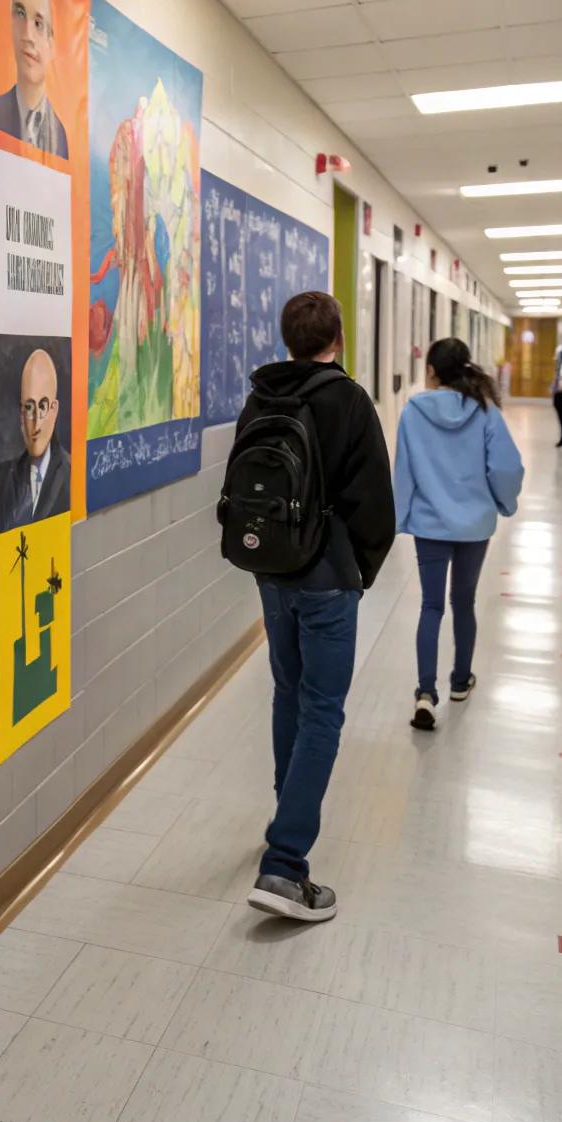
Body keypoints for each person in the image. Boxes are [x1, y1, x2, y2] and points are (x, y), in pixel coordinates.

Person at [238, 292, 395, 924]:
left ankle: (286, 813)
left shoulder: (262, 395)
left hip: (272, 574)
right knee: (323, 712)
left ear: (288, 339)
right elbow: (375, 501)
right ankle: (284, 864)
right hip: (328, 580)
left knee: (288, 693)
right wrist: (362, 568)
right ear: (337, 339)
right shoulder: (349, 400)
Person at [394, 337, 523, 731]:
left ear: (431, 371)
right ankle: (461, 680)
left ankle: (425, 693)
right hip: (474, 525)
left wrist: (398, 518)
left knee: (431, 606)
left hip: (430, 524)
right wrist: (504, 504)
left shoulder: (413, 411)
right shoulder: (485, 411)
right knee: (463, 601)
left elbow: (404, 470)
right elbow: (506, 467)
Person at [0, 0, 69, 159]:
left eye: (38, 23)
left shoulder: (60, 136)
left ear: (51, 43)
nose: (28, 34)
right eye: (20, 13)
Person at [0, 347, 71, 533]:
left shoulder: (71, 473)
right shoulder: (2, 479)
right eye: (29, 408)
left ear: (54, 410)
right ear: (21, 415)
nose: (36, 421)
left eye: (42, 406)